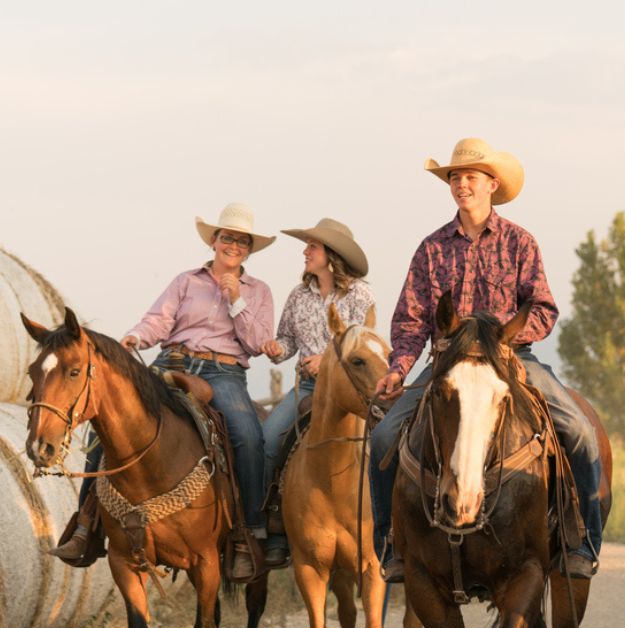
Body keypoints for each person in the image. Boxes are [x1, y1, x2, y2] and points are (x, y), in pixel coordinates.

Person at [370, 137, 602, 583]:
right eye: (455, 178)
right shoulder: (431, 248)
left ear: (492, 184)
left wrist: (503, 336)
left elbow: (543, 308)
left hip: (511, 356)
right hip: (448, 361)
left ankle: (583, 540)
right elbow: (411, 317)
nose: (461, 185)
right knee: (382, 438)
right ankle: (391, 545)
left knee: (579, 430)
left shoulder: (520, 242)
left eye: (470, 177)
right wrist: (399, 367)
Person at [50, 202, 275, 583]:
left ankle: (246, 534)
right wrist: (137, 336)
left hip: (223, 371)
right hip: (172, 362)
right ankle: (86, 524)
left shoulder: (259, 291)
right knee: (104, 423)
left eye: (241, 240)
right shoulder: (186, 281)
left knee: (249, 436)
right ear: (214, 242)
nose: (232, 245)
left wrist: (236, 299)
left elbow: (257, 342)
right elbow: (160, 319)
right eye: (226, 237)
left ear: (249, 249)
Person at [261, 218, 375, 562]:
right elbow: (287, 341)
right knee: (268, 439)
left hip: (350, 386)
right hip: (307, 387)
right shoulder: (298, 295)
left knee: (384, 442)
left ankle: (387, 523)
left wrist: (325, 360)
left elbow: (363, 343)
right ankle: (274, 523)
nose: (305, 251)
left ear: (331, 254)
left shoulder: (360, 295)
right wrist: (274, 348)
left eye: (312, 246)